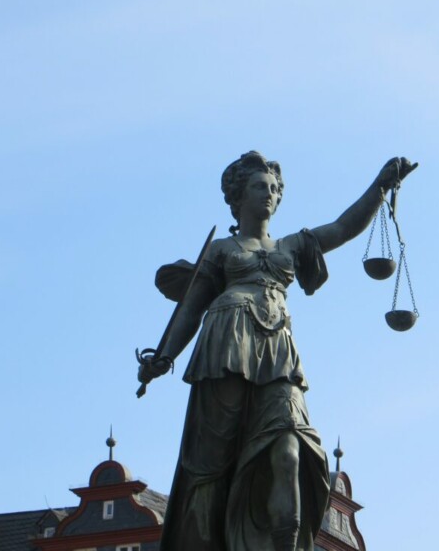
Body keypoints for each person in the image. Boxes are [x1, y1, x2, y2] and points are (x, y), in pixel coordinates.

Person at [139, 151, 416, 551]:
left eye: (273, 188)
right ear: (238, 196)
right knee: (213, 466)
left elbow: (343, 227)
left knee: (291, 448)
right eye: (258, 186)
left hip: (278, 355)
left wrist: (380, 187)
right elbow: (190, 310)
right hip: (225, 350)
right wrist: (164, 357)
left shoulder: (292, 246)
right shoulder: (220, 250)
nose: (268, 194)